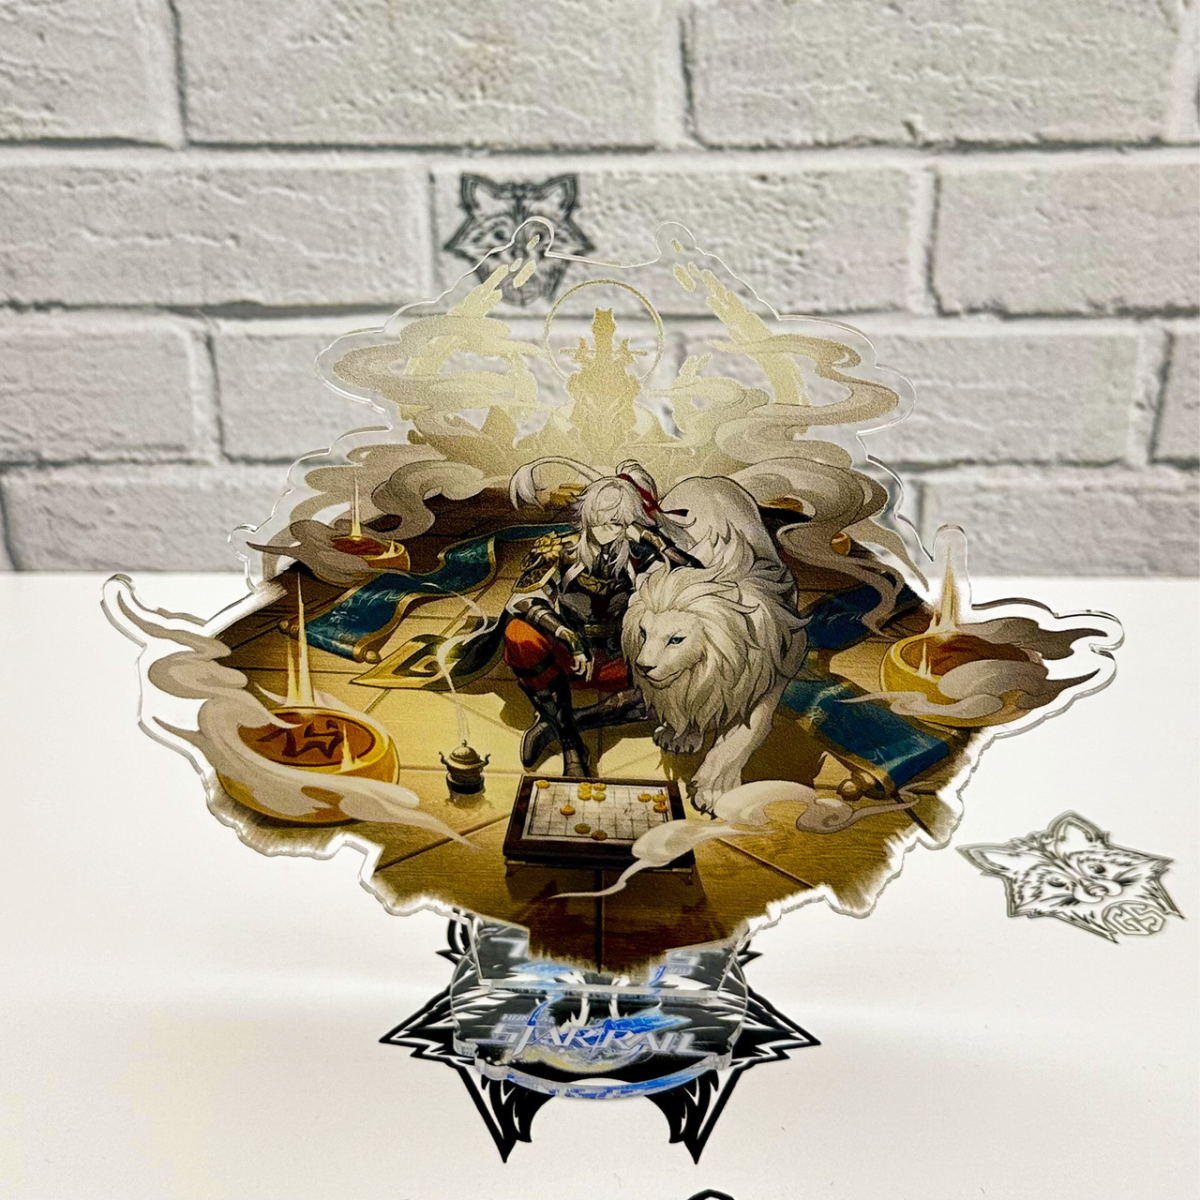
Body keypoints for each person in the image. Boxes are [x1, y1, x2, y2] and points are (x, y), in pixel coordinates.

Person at [503, 461, 697, 777]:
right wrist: (567, 635)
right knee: (519, 634)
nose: (607, 528)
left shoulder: (640, 553)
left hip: (624, 662)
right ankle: (571, 745)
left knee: (686, 661)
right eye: (600, 519)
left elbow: (692, 576)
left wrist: (654, 540)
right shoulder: (560, 549)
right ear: (587, 516)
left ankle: (559, 723)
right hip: (572, 660)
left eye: (617, 521)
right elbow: (521, 600)